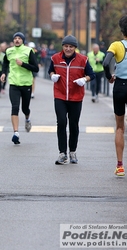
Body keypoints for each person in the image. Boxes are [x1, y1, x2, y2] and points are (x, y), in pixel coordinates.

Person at [103, 15, 127, 181]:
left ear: (122, 30)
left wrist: (109, 76)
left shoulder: (116, 45)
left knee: (119, 127)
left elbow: (105, 63)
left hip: (120, 87)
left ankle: (119, 166)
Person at [49, 35, 95, 165]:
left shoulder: (83, 60)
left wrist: (84, 79)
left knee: (74, 125)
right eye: (66, 46)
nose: (68, 49)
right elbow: (50, 70)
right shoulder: (55, 58)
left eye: (71, 47)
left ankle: (73, 151)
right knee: (61, 122)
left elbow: (91, 75)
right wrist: (53, 76)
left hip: (76, 97)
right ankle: (62, 153)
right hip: (60, 95)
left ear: (75, 48)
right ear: (62, 46)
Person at [0, 32, 39, 144]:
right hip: (14, 84)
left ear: (23, 40)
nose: (17, 40)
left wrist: (23, 64)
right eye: (15, 38)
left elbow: (35, 68)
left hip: (26, 83)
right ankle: (16, 133)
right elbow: (5, 63)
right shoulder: (9, 51)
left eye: (19, 38)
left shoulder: (28, 51)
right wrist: (3, 73)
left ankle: (27, 118)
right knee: (15, 107)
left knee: (25, 108)